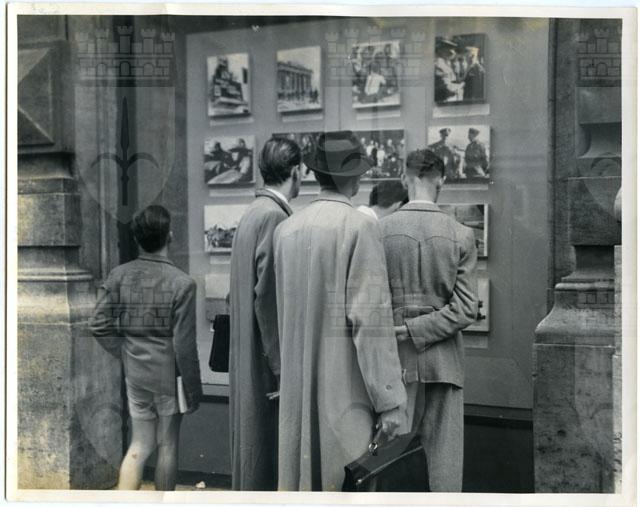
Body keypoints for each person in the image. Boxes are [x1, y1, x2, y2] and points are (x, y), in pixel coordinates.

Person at [273, 130, 407, 491]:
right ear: (353, 176)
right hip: (347, 393)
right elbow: (371, 320)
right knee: (347, 485)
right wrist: (390, 400)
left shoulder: (285, 230)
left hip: (298, 393)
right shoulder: (360, 227)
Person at [380, 149, 478, 492]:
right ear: (442, 180)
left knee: (388, 464)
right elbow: (466, 308)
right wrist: (419, 330)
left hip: (394, 363)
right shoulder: (461, 234)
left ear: (404, 179)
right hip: (444, 364)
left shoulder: (380, 230)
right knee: (444, 471)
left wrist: (407, 329)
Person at [90, 205, 202, 491]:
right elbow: (184, 345)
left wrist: (124, 351)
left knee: (139, 444)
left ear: (137, 238)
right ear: (170, 236)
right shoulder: (183, 283)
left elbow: (99, 324)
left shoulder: (119, 275)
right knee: (167, 446)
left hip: (135, 373)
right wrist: (193, 390)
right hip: (167, 377)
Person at [228, 137, 302, 491]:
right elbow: (268, 299)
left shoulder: (254, 212)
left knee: (251, 450)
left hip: (248, 351)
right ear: (296, 172)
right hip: (264, 359)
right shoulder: (274, 216)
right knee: (266, 455)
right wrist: (281, 369)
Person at [434, 38, 463, 103]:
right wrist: (461, 85)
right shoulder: (439, 64)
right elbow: (447, 88)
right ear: (440, 50)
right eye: (448, 48)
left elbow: (453, 80)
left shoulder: (446, 63)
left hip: (448, 99)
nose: (452, 51)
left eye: (453, 49)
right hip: (443, 101)